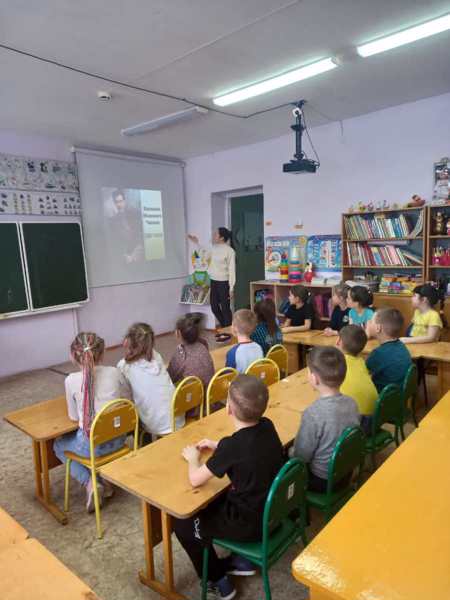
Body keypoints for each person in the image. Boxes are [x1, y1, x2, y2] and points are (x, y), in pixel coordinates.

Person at [173, 375, 284, 600]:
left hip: (250, 524)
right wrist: (218, 446)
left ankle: (218, 581)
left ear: (228, 409)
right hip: (273, 513)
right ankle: (241, 561)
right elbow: (240, 448)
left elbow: (195, 479)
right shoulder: (267, 425)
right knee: (214, 500)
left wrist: (194, 458)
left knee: (183, 521)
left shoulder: (233, 447)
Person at [54, 332, 130, 511]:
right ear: (102, 354)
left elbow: (73, 418)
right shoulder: (114, 372)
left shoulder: (71, 381)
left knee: (58, 445)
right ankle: (104, 479)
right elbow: (127, 400)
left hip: (92, 446)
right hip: (119, 441)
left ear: (73, 356)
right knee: (93, 437)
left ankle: (90, 483)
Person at [293, 346, 360, 492]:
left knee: (286, 460)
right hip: (346, 472)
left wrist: (290, 453)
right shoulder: (352, 403)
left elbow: (301, 457)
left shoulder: (313, 414)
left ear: (314, 378)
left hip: (322, 481)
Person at [117, 322, 183, 436]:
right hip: (178, 418)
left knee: (131, 411)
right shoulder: (157, 356)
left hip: (158, 425)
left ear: (128, 342)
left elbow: (126, 399)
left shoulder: (124, 366)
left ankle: (143, 446)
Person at [188, 228, 236, 333]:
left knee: (225, 308)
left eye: (215, 234)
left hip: (224, 282)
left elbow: (232, 271)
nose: (213, 236)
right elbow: (202, 255)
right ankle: (226, 328)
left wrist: (231, 288)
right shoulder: (212, 248)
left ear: (221, 237)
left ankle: (228, 331)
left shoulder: (230, 251)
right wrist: (196, 243)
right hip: (213, 281)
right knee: (214, 307)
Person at [337, 325, 378, 431]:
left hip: (357, 424)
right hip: (374, 418)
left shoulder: (338, 364)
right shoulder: (360, 362)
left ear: (339, 342)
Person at [366, 308, 412, 392]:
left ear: (378, 328)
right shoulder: (401, 345)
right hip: (398, 396)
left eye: (371, 321)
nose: (368, 323)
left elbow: (363, 373)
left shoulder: (378, 354)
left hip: (381, 397)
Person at [167, 314, 215, 388]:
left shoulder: (180, 353)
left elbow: (170, 378)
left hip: (193, 396)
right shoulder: (203, 345)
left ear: (178, 333)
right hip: (210, 392)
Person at [108, 188, 144, 264]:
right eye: (116, 202)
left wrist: (134, 256)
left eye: (120, 201)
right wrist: (124, 256)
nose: (119, 205)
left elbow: (142, 235)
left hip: (139, 254)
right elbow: (114, 243)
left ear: (124, 201)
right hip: (124, 258)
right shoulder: (113, 220)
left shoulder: (135, 213)